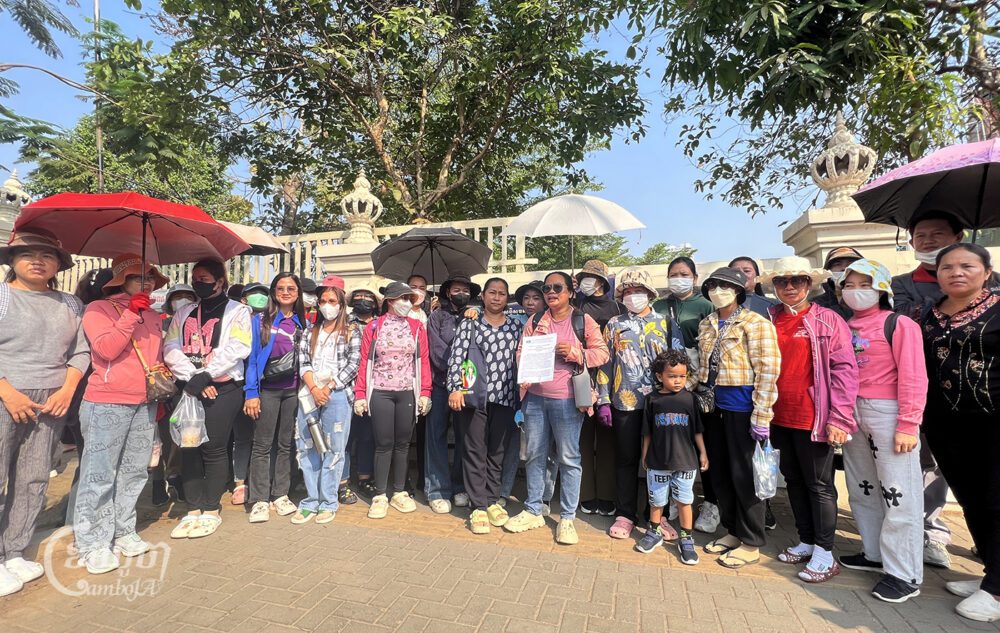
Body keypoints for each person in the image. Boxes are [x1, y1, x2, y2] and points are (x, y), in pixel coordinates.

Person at [0, 229, 89, 597]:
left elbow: (81, 352)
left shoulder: (71, 304)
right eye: (28, 254)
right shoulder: (2, 296)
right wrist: (8, 393)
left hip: (52, 402)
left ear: (57, 264)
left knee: (34, 477)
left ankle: (14, 550)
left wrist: (67, 390)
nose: (37, 261)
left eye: (47, 255)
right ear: (12, 260)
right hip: (5, 395)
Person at [760, 257, 859, 584]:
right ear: (774, 286)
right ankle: (806, 541)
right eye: (782, 281)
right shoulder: (769, 319)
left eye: (797, 280)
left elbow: (845, 370)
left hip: (813, 416)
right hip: (777, 415)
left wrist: (840, 418)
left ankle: (825, 552)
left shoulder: (827, 319)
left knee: (819, 485)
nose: (789, 286)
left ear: (809, 283)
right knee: (793, 480)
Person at [836, 259, 927, 604]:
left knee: (898, 492)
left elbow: (914, 375)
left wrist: (908, 423)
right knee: (862, 487)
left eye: (865, 284)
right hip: (852, 411)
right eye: (849, 285)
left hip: (889, 413)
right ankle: (873, 553)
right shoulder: (845, 326)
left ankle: (904, 573)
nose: (856, 291)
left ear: (881, 289)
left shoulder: (899, 324)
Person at [891, 211, 977, 569]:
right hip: (920, 388)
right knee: (928, 463)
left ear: (958, 237)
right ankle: (931, 532)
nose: (927, 241)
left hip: (975, 390)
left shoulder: (990, 282)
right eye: (920, 236)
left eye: (937, 234)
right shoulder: (901, 284)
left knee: (978, 469)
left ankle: (985, 539)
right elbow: (908, 320)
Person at [73, 254, 168, 574]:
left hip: (145, 402)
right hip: (106, 402)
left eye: (150, 277)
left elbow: (154, 355)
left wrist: (161, 368)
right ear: (121, 281)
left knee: (135, 471)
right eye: (138, 277)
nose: (146, 282)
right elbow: (106, 349)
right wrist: (130, 313)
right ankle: (92, 543)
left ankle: (123, 529)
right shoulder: (97, 309)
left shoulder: (153, 315)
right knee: (99, 474)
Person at [921, 244, 1000, 622]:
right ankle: (992, 573)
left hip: (993, 421)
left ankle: (997, 591)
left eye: (967, 265)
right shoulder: (929, 314)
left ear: (987, 272)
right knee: (972, 500)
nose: (957, 272)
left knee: (997, 500)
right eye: (947, 267)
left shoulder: (998, 309)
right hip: (944, 424)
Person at [505, 271, 609, 545]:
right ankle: (533, 509)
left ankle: (567, 518)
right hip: (534, 398)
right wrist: (525, 367)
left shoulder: (582, 320)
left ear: (570, 293)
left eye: (557, 287)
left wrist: (577, 353)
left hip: (567, 399)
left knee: (569, 458)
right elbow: (521, 351)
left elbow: (602, 353)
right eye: (547, 288)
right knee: (535, 456)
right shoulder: (535, 320)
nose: (551, 292)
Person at [696, 267, 780, 569]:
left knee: (745, 476)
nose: (717, 291)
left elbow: (768, 369)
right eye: (712, 286)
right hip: (711, 406)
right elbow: (702, 366)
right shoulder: (707, 323)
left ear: (738, 291)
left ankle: (751, 541)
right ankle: (732, 531)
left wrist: (762, 414)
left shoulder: (755, 323)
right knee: (720, 473)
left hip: (742, 407)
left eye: (724, 286)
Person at [164, 259, 252, 539]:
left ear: (220, 281)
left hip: (224, 389)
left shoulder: (238, 311)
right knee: (188, 446)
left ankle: (211, 508)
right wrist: (194, 378)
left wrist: (208, 374)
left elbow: (239, 346)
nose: (198, 283)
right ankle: (193, 508)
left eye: (204, 279)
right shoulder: (185, 312)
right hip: (190, 388)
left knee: (213, 448)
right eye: (195, 279)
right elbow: (171, 346)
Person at [596, 267, 683, 540]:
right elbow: (606, 363)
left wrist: (678, 399)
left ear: (650, 294)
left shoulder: (666, 323)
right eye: (628, 291)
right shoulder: (614, 324)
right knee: (626, 459)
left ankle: (659, 515)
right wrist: (603, 400)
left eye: (639, 291)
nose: (633, 295)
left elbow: (679, 363)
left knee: (661, 461)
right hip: (625, 401)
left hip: (661, 403)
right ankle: (625, 514)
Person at [447, 278, 521, 534]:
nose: (497, 297)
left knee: (497, 452)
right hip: (474, 396)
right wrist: (455, 387)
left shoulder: (515, 326)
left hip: (505, 396)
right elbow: (458, 355)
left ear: (507, 298)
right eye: (492, 292)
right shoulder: (470, 322)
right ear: (483, 296)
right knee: (475, 450)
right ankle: (478, 506)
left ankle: (491, 500)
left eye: (502, 293)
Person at [354, 282, 432, 519]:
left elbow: (423, 361)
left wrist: (425, 392)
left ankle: (399, 492)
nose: (406, 303)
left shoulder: (417, 327)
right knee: (383, 444)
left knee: (403, 444)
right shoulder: (374, 327)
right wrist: (360, 394)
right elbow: (365, 361)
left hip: (407, 391)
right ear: (390, 301)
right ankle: (380, 495)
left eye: (409, 299)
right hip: (380, 391)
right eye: (402, 298)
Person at [652, 255, 718, 533]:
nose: (678, 279)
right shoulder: (658, 305)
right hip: (664, 386)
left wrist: (697, 380)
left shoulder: (706, 306)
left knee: (702, 443)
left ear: (694, 278)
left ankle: (710, 504)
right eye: (674, 274)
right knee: (669, 443)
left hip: (696, 384)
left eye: (684, 274)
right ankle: (667, 502)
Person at [291, 284, 361, 524]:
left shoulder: (351, 331)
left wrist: (328, 387)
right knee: (307, 445)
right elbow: (303, 362)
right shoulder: (309, 331)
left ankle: (328, 501)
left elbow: (353, 364)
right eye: (323, 301)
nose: (327, 306)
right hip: (309, 394)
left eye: (332, 301)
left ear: (341, 305)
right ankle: (311, 500)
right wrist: (314, 388)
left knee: (334, 448)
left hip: (338, 394)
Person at [243, 273, 308, 523]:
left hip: (292, 391)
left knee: (285, 444)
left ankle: (280, 494)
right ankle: (259, 499)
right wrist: (251, 393)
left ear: (298, 293)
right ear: (273, 292)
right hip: (267, 390)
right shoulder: (261, 320)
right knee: (262, 445)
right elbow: (251, 359)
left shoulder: (303, 322)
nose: (286, 292)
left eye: (291, 288)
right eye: (280, 288)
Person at [635, 350, 708, 565]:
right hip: (658, 460)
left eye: (682, 376)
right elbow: (647, 432)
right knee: (657, 500)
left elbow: (697, 430)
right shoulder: (652, 400)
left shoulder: (690, 399)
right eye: (672, 376)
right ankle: (654, 532)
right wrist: (645, 454)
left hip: (685, 461)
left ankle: (686, 538)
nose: (678, 381)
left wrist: (703, 453)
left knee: (684, 500)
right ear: (660, 376)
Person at [573, 259, 624, 516]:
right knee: (582, 438)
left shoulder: (618, 308)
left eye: (590, 278)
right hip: (580, 376)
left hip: (612, 378)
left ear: (602, 281)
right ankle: (585, 494)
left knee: (607, 439)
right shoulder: (576, 306)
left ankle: (606, 494)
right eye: (582, 278)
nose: (586, 282)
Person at [426, 274, 481, 513]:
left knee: (464, 437)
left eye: (465, 290)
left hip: (466, 385)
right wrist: (454, 370)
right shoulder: (437, 317)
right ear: (448, 292)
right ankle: (437, 490)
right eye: (457, 289)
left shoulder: (475, 316)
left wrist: (462, 377)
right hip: (440, 384)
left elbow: (478, 350)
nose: (461, 293)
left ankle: (460, 486)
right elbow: (436, 349)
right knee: (436, 436)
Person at [499, 281, 545, 505]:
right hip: (515, 391)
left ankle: (542, 498)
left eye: (536, 298)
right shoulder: (514, 323)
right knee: (512, 444)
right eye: (526, 298)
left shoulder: (553, 323)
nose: (530, 302)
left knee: (545, 449)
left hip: (545, 392)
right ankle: (503, 491)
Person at [150, 284, 196, 507]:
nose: (183, 300)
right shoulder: (159, 325)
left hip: (187, 389)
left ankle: (176, 477)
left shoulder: (197, 325)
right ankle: (157, 482)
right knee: (159, 439)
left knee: (182, 440)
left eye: (188, 296)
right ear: (169, 302)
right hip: (160, 389)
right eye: (178, 297)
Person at [227, 281, 269, 507]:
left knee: (263, 439)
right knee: (242, 437)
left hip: (265, 387)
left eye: (263, 294)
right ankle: (240, 482)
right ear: (243, 299)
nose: (259, 298)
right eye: (254, 294)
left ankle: (260, 480)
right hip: (237, 385)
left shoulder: (268, 322)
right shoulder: (233, 320)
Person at [345, 287, 380, 497]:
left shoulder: (381, 323)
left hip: (373, 386)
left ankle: (365, 477)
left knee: (368, 436)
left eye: (368, 297)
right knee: (346, 436)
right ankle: (343, 479)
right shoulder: (344, 322)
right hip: (346, 385)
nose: (363, 299)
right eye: (359, 296)